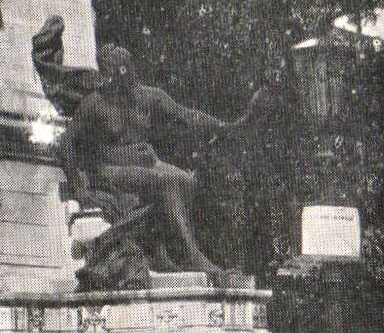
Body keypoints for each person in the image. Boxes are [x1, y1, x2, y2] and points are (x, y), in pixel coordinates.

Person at [49, 37, 263, 277]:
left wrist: (226, 126)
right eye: (115, 74)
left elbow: (186, 115)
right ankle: (190, 256)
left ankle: (166, 251)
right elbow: (66, 143)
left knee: (186, 179)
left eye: (125, 72)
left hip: (147, 163)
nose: (123, 79)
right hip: (111, 168)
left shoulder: (148, 96)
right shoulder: (94, 104)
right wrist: (80, 189)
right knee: (165, 181)